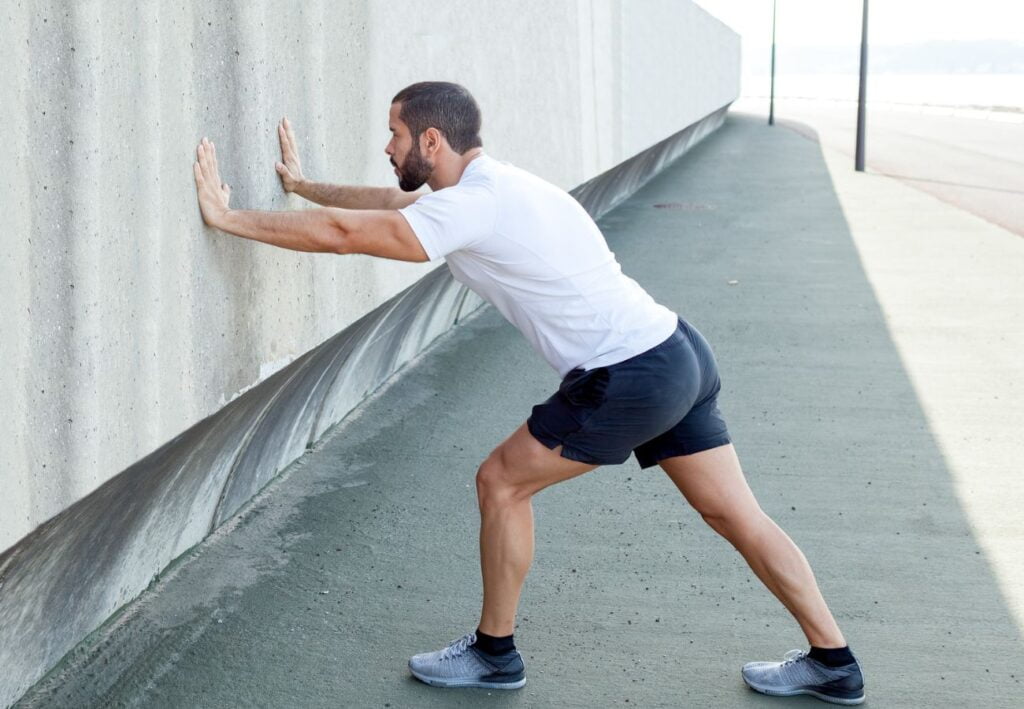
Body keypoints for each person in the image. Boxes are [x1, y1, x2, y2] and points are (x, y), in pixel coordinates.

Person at [192, 81, 866, 705]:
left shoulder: (475, 205)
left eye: (394, 134)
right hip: (676, 350)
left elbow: (349, 238)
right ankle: (834, 661)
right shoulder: (498, 188)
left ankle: (494, 653)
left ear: (432, 142)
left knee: (501, 484)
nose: (387, 147)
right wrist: (305, 187)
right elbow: (388, 205)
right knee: (736, 515)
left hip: (626, 372)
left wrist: (229, 219)